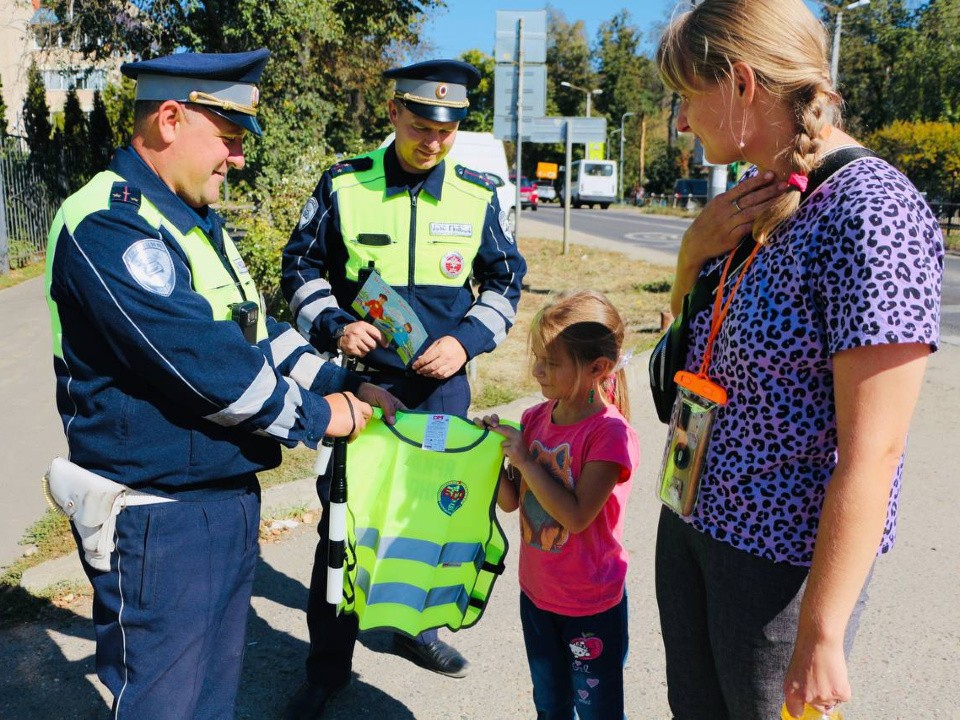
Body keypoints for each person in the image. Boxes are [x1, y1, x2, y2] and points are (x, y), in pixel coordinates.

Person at [44, 49, 400, 719]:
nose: (237, 159)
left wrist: (341, 381)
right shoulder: (109, 223)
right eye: (230, 140)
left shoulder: (195, 222)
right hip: (155, 517)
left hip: (221, 500)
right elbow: (207, 367)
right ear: (171, 119)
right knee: (165, 703)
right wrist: (324, 415)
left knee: (210, 703)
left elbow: (256, 332)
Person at [653, 2, 944, 718]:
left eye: (687, 97)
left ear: (742, 84)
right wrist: (691, 259)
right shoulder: (756, 197)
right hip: (693, 522)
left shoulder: (871, 214)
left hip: (778, 569)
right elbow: (678, 374)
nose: (682, 123)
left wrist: (822, 630)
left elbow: (874, 451)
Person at [281, 58, 526, 717]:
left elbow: (505, 282)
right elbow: (299, 265)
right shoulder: (344, 182)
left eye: (448, 131)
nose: (434, 142)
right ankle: (327, 669)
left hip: (441, 393)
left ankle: (419, 627)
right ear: (393, 114)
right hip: (358, 389)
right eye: (421, 126)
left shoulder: (477, 192)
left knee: (430, 520)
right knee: (344, 526)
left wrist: (466, 341)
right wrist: (334, 324)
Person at [475, 290, 640, 720]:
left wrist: (526, 460)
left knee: (597, 712)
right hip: (538, 595)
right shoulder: (534, 419)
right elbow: (513, 503)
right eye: (537, 358)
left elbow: (577, 515)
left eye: (551, 362)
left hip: (591, 606)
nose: (537, 370)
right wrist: (490, 456)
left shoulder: (609, 435)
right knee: (550, 705)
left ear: (597, 369)